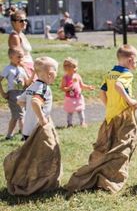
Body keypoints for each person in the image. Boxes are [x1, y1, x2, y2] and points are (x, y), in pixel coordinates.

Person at [66, 45, 137, 194]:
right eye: (136, 62)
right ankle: (113, 177)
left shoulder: (110, 73)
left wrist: (109, 106)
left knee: (108, 144)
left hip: (110, 116)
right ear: (130, 60)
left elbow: (102, 93)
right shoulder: (127, 74)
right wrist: (130, 101)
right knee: (126, 144)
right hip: (124, 115)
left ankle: (102, 170)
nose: (136, 65)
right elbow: (120, 86)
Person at [4, 57, 61, 196]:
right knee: (44, 155)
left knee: (29, 156)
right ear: (50, 74)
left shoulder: (32, 86)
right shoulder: (43, 88)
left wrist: (29, 109)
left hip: (26, 129)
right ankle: (40, 182)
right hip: (37, 129)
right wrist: (42, 120)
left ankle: (27, 178)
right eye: (56, 73)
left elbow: (20, 101)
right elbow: (36, 102)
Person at [1, 48, 32, 140]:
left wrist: (31, 73)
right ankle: (24, 136)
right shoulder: (8, 69)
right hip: (14, 95)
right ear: (11, 57)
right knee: (22, 115)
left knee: (15, 116)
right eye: (19, 57)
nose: (21, 59)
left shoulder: (21, 69)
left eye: (22, 57)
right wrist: (3, 93)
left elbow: (27, 83)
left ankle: (9, 135)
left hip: (22, 93)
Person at [60, 57, 94, 127]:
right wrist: (68, 88)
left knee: (80, 110)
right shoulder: (65, 78)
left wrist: (88, 87)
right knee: (70, 112)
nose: (76, 68)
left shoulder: (77, 76)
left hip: (78, 97)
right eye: (74, 67)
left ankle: (82, 122)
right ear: (67, 68)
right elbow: (62, 88)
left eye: (76, 67)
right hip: (69, 98)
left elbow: (81, 85)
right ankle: (69, 124)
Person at [8, 10, 35, 79]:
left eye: (25, 20)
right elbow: (17, 58)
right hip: (23, 69)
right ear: (13, 23)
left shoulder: (21, 34)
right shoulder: (15, 36)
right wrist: (28, 73)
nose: (24, 22)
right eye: (21, 21)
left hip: (29, 65)